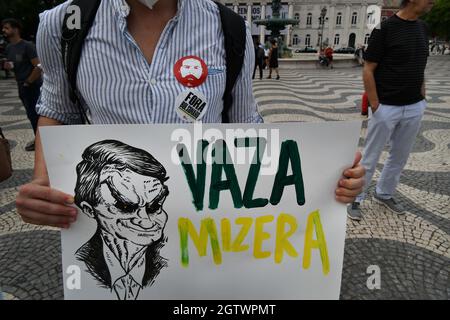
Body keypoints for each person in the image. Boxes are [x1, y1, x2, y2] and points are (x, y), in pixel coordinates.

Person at [16, 0, 364, 230]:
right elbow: (56, 111)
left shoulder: (229, 27)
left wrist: (322, 174)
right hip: (111, 221)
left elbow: (247, 128)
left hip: (204, 232)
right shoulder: (62, 25)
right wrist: (41, 183)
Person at [347, 0, 434, 221]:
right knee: (371, 155)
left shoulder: (423, 28)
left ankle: (384, 192)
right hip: (386, 106)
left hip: (414, 104)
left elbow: (420, 62)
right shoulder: (384, 29)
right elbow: (368, 69)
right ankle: (356, 198)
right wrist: (376, 105)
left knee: (400, 155)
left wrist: (422, 92)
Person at [74, 140, 169, 300]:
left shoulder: (173, 261)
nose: (146, 222)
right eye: (125, 207)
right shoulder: (80, 264)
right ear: (90, 210)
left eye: (154, 207)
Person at [2, 18, 42, 151]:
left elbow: (38, 66)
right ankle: (39, 138)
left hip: (32, 86)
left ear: (15, 29)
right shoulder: (9, 47)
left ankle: (41, 141)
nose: (4, 30)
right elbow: (13, 64)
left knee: (36, 114)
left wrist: (28, 82)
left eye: (7, 27)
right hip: (21, 85)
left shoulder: (27, 46)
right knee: (30, 115)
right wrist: (8, 66)